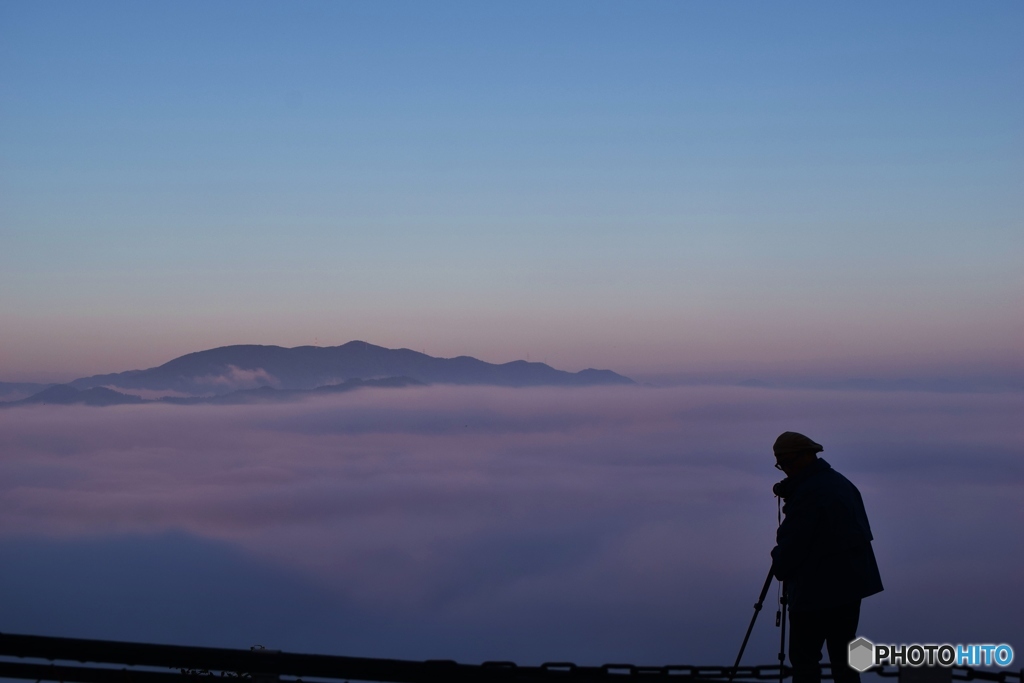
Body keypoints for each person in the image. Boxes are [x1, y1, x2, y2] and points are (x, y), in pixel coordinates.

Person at [770, 431, 883, 683]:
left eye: (788, 462)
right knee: (844, 660)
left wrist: (779, 561)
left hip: (816, 590)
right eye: (781, 464)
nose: (786, 469)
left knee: (805, 660)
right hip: (849, 588)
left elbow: (794, 545)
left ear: (808, 455)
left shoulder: (811, 493)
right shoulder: (840, 483)